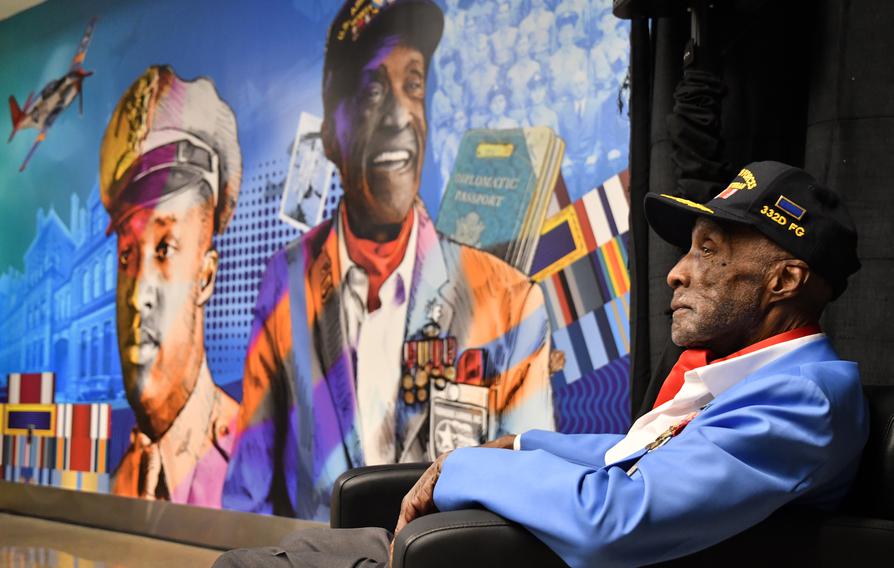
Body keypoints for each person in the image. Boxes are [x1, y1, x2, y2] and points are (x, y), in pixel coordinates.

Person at [216, 161, 868, 567]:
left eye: (709, 251)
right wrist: (522, 440)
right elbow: (633, 457)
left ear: (784, 281)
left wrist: (469, 463)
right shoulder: (753, 379)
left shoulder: (804, 397)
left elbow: (614, 516)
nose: (676, 273)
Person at [223, 0, 554, 522]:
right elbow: (249, 498)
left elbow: (534, 489)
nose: (399, 114)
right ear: (330, 132)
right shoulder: (285, 285)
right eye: (372, 90)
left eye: (413, 84)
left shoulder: (510, 303)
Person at [100, 65, 242, 508]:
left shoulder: (250, 462)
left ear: (206, 276)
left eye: (164, 249)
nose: (138, 291)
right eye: (127, 256)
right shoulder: (125, 477)